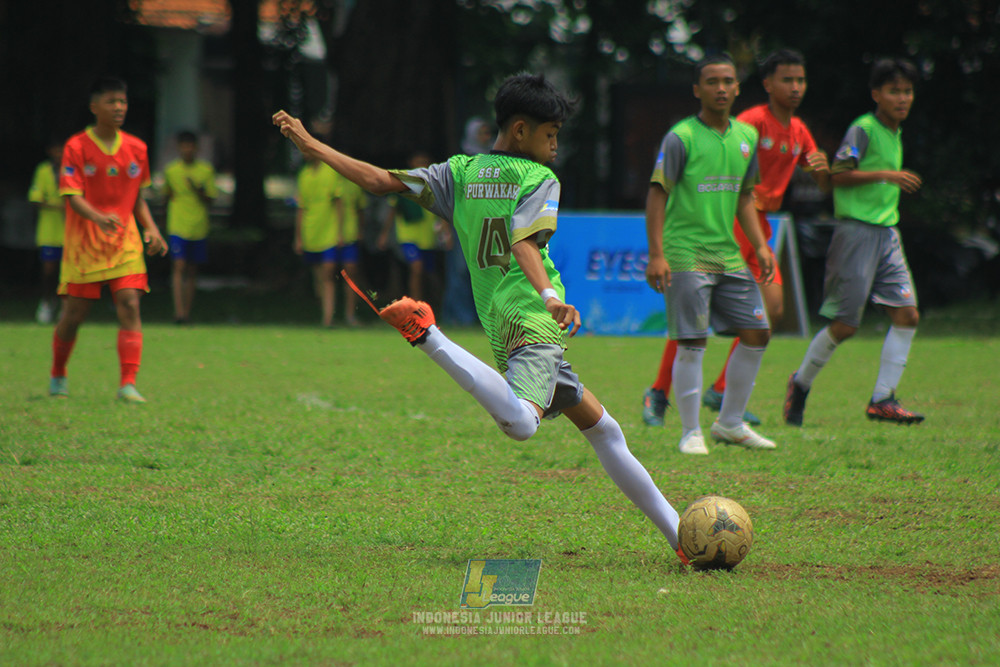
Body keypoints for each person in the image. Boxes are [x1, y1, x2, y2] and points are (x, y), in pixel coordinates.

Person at [273, 73, 690, 565]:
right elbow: (522, 241)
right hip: (532, 317)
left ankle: (681, 538)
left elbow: (378, 179)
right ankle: (427, 335)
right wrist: (550, 294)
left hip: (503, 320)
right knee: (521, 426)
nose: (556, 145)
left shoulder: (460, 171)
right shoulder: (539, 179)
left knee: (605, 430)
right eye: (550, 133)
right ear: (519, 130)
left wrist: (311, 143)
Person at [641, 48, 831, 428]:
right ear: (767, 85)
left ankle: (723, 390)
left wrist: (826, 169)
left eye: (800, 80)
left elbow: (822, 180)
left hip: (757, 225)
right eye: (786, 80)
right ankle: (660, 392)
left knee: (770, 313)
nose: (795, 88)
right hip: (723, 224)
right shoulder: (749, 122)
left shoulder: (798, 130)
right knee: (694, 319)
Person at [643, 54, 778, 455]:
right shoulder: (681, 137)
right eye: (712, 81)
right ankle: (690, 432)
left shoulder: (746, 137)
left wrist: (760, 244)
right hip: (686, 254)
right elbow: (657, 193)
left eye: (728, 81)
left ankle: (731, 424)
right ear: (697, 89)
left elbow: (745, 196)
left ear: (738, 88)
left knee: (758, 333)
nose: (721, 88)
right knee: (692, 341)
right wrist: (656, 254)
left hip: (729, 255)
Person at [784, 58, 924, 426]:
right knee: (845, 326)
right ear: (876, 94)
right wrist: (888, 175)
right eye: (894, 91)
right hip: (856, 231)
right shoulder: (864, 128)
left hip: (887, 233)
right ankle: (799, 384)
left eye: (907, 91)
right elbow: (837, 176)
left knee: (907, 314)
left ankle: (883, 399)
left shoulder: (895, 132)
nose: (902, 98)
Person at [50, 76, 167, 403]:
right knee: (74, 315)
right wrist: (98, 217)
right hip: (84, 244)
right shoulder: (76, 147)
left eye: (123, 101)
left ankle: (128, 383)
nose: (119, 107)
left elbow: (137, 198)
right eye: (112, 101)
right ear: (94, 107)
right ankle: (59, 372)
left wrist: (151, 228)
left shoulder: (137, 148)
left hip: (124, 240)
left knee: (130, 302)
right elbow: (72, 196)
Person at [162, 130, 218, 324]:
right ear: (179, 148)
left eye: (190, 146)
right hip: (177, 225)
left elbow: (211, 198)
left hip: (198, 226)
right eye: (184, 146)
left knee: (192, 270)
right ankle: (178, 313)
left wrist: (199, 191)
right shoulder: (171, 171)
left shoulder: (205, 170)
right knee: (179, 265)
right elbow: (166, 196)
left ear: (196, 148)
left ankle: (187, 312)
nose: (187, 150)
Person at [378, 151, 449, 302]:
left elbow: (442, 210)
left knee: (430, 273)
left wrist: (446, 233)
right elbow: (393, 210)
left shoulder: (434, 184)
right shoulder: (403, 183)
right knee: (417, 267)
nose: (421, 165)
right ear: (411, 163)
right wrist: (384, 234)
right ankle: (417, 306)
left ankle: (438, 305)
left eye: (424, 161)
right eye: (418, 161)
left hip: (427, 236)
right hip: (408, 235)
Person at [28, 139, 65, 324]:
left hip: (69, 232)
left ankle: (66, 307)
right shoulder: (43, 170)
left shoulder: (75, 169)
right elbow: (35, 198)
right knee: (49, 271)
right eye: (57, 150)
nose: (60, 154)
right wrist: (58, 206)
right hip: (49, 230)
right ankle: (47, 302)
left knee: (68, 272)